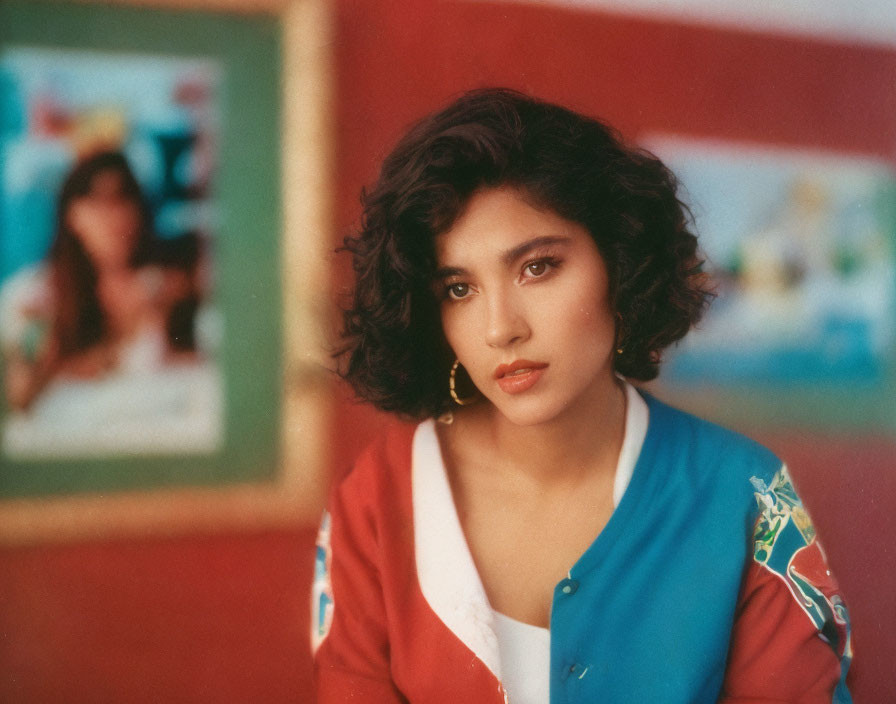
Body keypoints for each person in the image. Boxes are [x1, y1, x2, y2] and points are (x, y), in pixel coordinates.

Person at [312, 89, 852, 703]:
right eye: (459, 289)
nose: (500, 328)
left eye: (537, 267)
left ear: (618, 264)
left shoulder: (750, 500)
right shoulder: (374, 501)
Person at [1, 150, 202, 413]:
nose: (113, 217)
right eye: (96, 202)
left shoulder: (171, 285)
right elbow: (19, 398)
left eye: (122, 199)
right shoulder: (35, 294)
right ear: (72, 216)